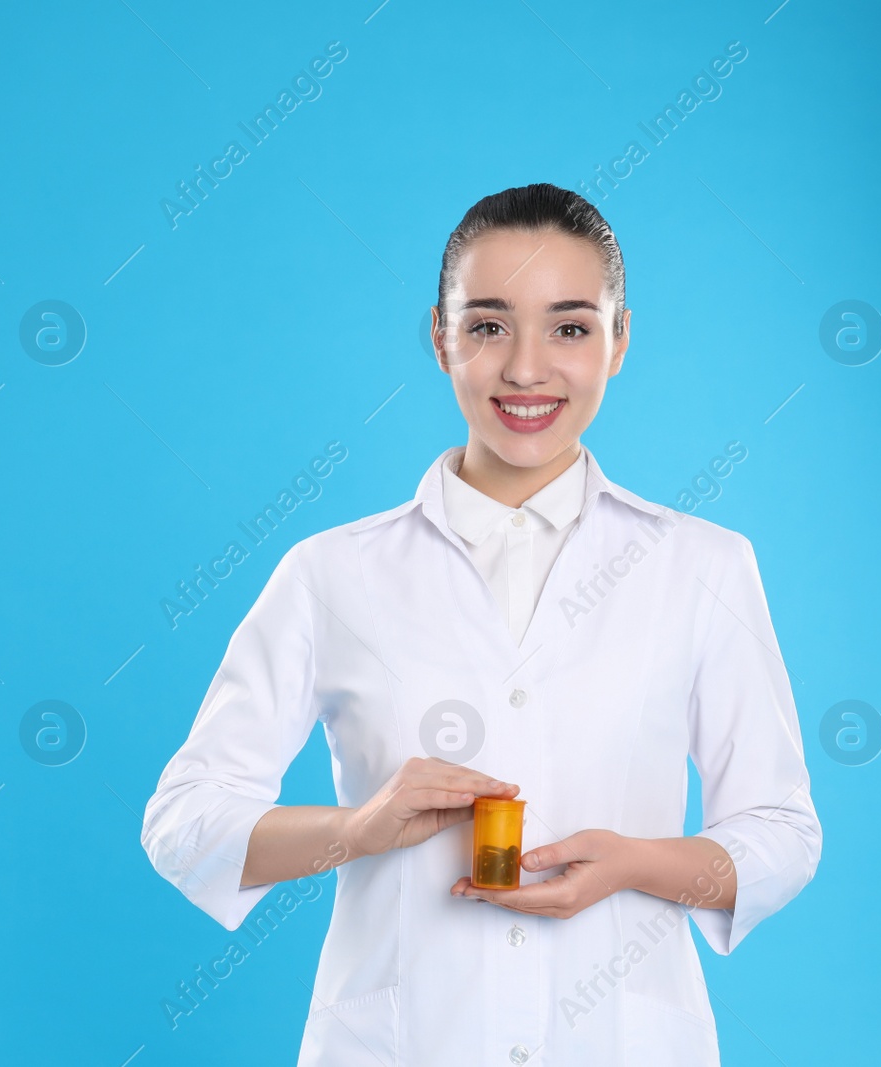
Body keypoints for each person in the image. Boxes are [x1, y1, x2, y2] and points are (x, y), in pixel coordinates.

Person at [140, 182, 822, 1066]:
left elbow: (780, 830)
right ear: (440, 337)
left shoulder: (702, 566)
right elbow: (185, 820)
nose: (527, 369)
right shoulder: (331, 574)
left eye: (571, 327)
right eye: (490, 325)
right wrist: (358, 829)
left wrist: (634, 865)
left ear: (620, 340)